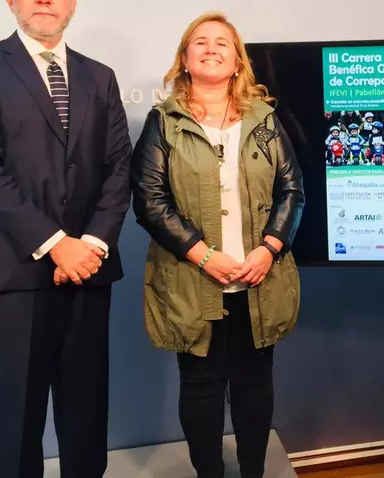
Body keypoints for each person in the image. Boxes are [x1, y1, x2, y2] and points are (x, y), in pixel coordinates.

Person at [130, 12, 304, 478]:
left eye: (222, 43)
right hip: (192, 279)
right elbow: (149, 200)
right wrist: (203, 254)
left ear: (238, 60)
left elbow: (292, 190)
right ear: (184, 59)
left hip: (258, 279)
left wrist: (269, 248)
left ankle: (253, 471)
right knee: (201, 387)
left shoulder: (265, 120)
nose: (211, 48)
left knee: (254, 385)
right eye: (201, 42)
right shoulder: (163, 121)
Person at [0, 0, 132, 476]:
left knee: (86, 411)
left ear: (72, 6)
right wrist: (57, 244)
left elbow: (119, 167)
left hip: (89, 268)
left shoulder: (100, 76)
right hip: (16, 268)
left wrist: (92, 244)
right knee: (20, 415)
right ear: (12, 3)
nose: (45, 0)